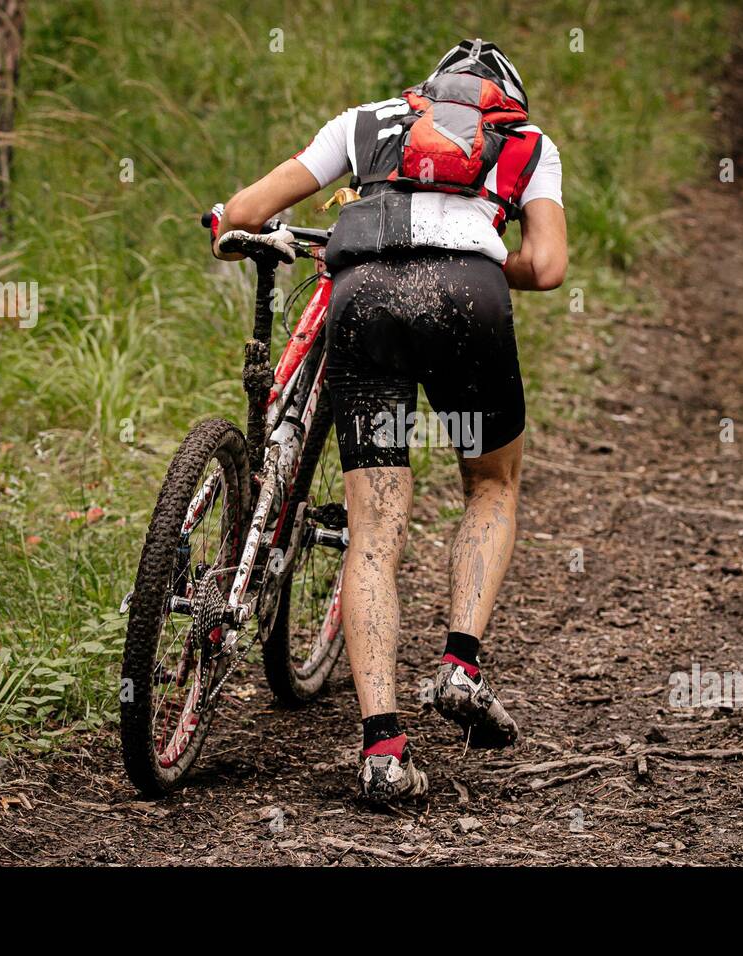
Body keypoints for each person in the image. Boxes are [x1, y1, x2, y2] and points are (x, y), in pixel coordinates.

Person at [214, 39, 566, 804]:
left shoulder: (365, 122)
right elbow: (547, 265)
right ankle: (460, 666)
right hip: (466, 303)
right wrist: (480, 251)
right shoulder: (529, 144)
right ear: (500, 99)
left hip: (363, 296)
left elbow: (244, 213)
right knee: (490, 483)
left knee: (375, 525)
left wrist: (222, 223)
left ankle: (381, 751)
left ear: (424, 91)